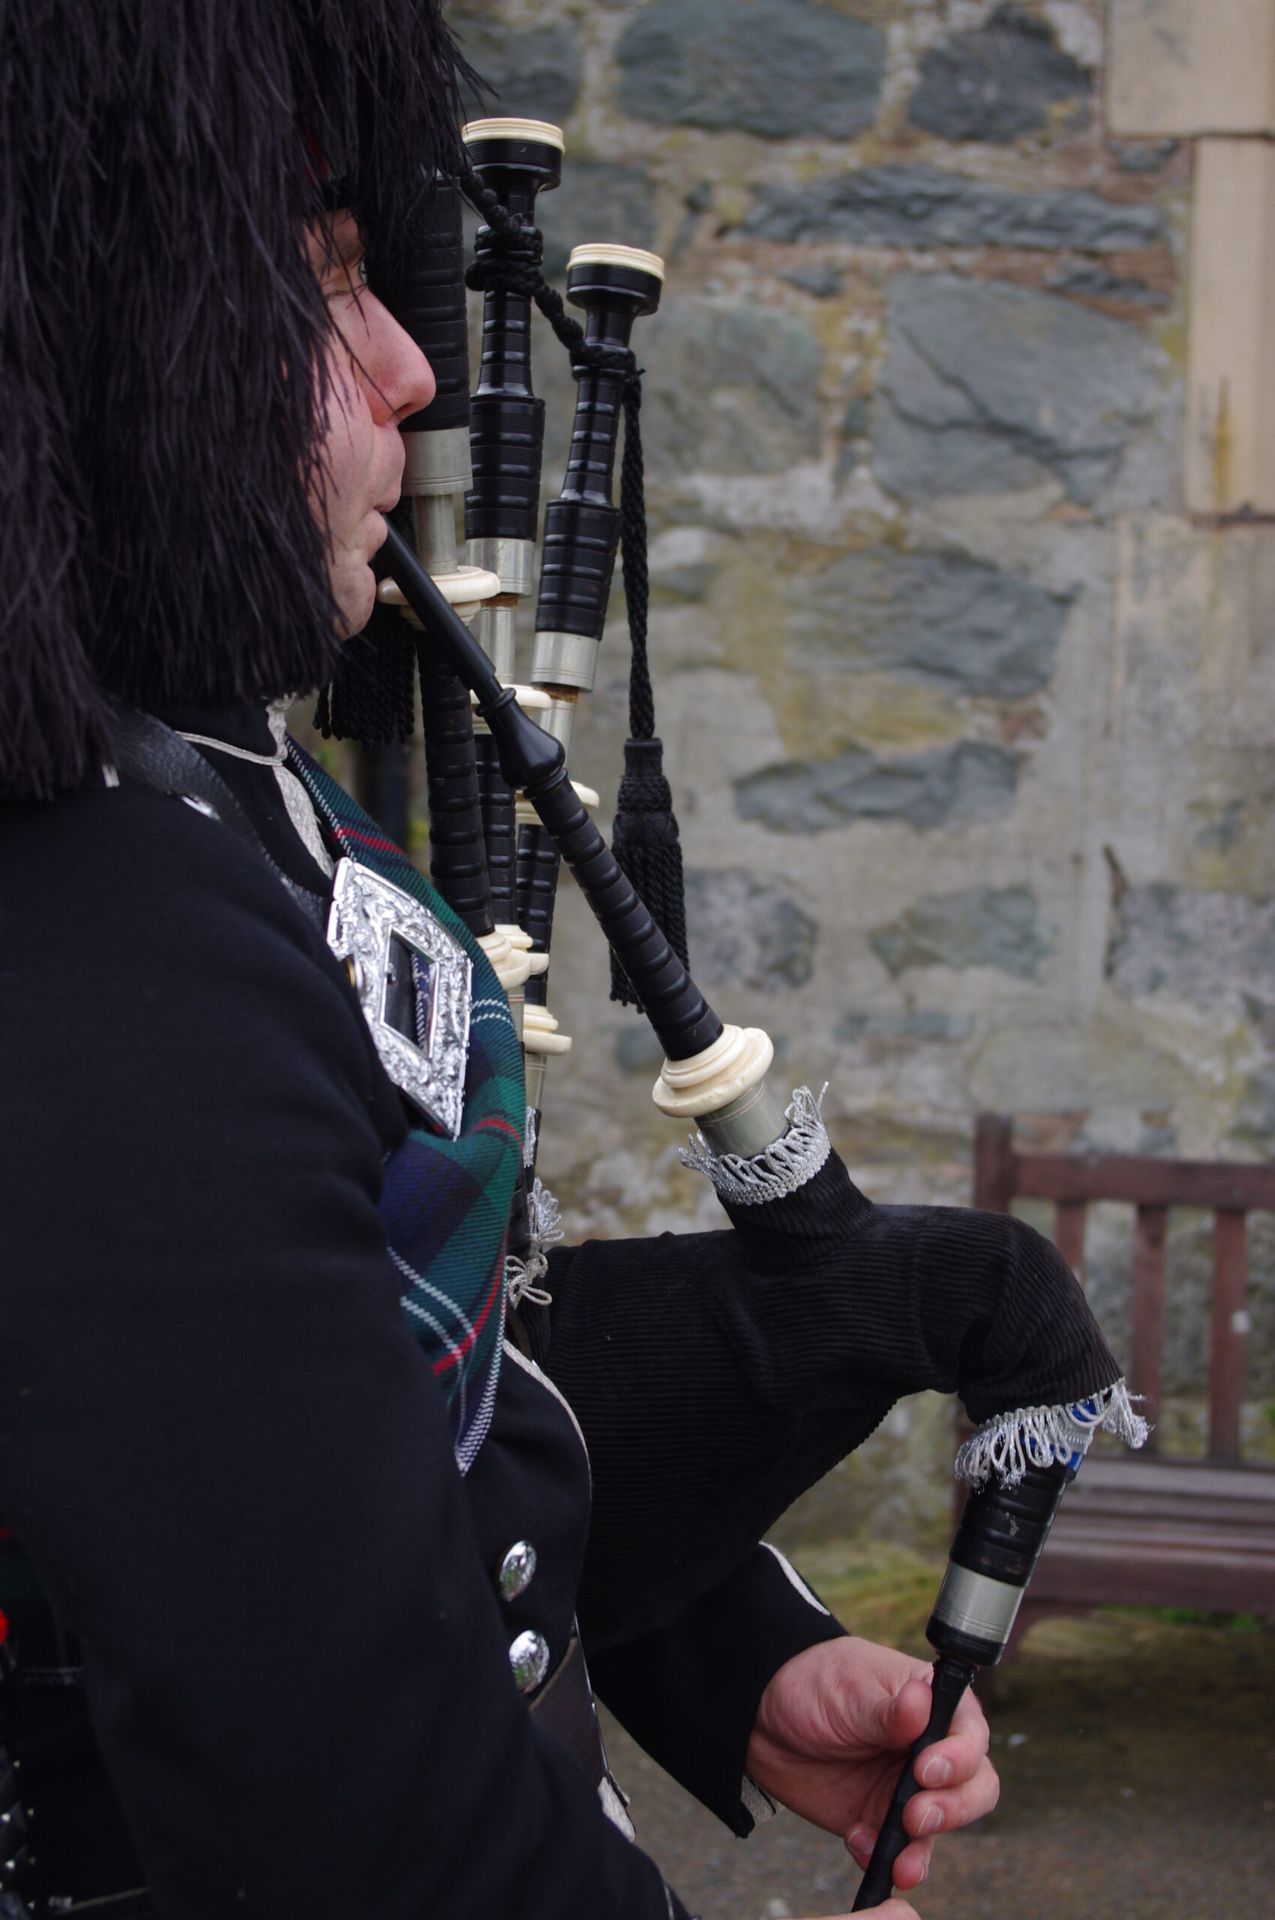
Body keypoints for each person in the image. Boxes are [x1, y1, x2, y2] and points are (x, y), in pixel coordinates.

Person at [1, 5, 1141, 1916]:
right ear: (118, 340)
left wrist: (730, 1652)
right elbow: (358, 1828)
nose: (411, 369)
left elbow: (362, 1419)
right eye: (324, 291)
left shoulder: (210, 789)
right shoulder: (92, 931)